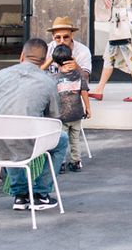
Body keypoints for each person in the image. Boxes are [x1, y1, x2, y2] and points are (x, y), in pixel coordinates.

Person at [0, 38, 67, 211]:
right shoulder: (48, 82)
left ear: (22, 55)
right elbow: (54, 120)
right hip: (27, 144)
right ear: (45, 60)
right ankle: (40, 194)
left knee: (8, 134)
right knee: (62, 140)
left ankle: (20, 196)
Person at [47, 44, 90, 173]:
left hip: (62, 115)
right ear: (71, 58)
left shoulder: (54, 78)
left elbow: (52, 97)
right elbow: (84, 92)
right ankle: (76, 162)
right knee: (75, 139)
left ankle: (61, 163)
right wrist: (88, 108)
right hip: (77, 114)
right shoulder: (79, 75)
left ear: (55, 62)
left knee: (62, 139)